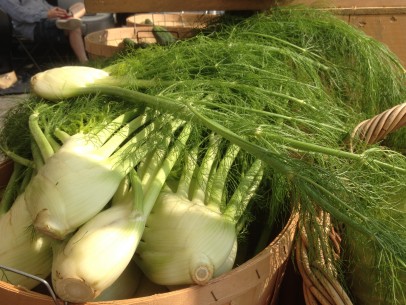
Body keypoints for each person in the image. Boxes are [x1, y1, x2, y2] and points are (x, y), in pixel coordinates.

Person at [0, 0, 88, 64]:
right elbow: (20, 15)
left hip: (49, 18)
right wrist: (47, 14)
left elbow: (43, 5)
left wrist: (56, 11)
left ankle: (68, 18)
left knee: (81, 5)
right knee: (74, 27)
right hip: (34, 26)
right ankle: (85, 63)